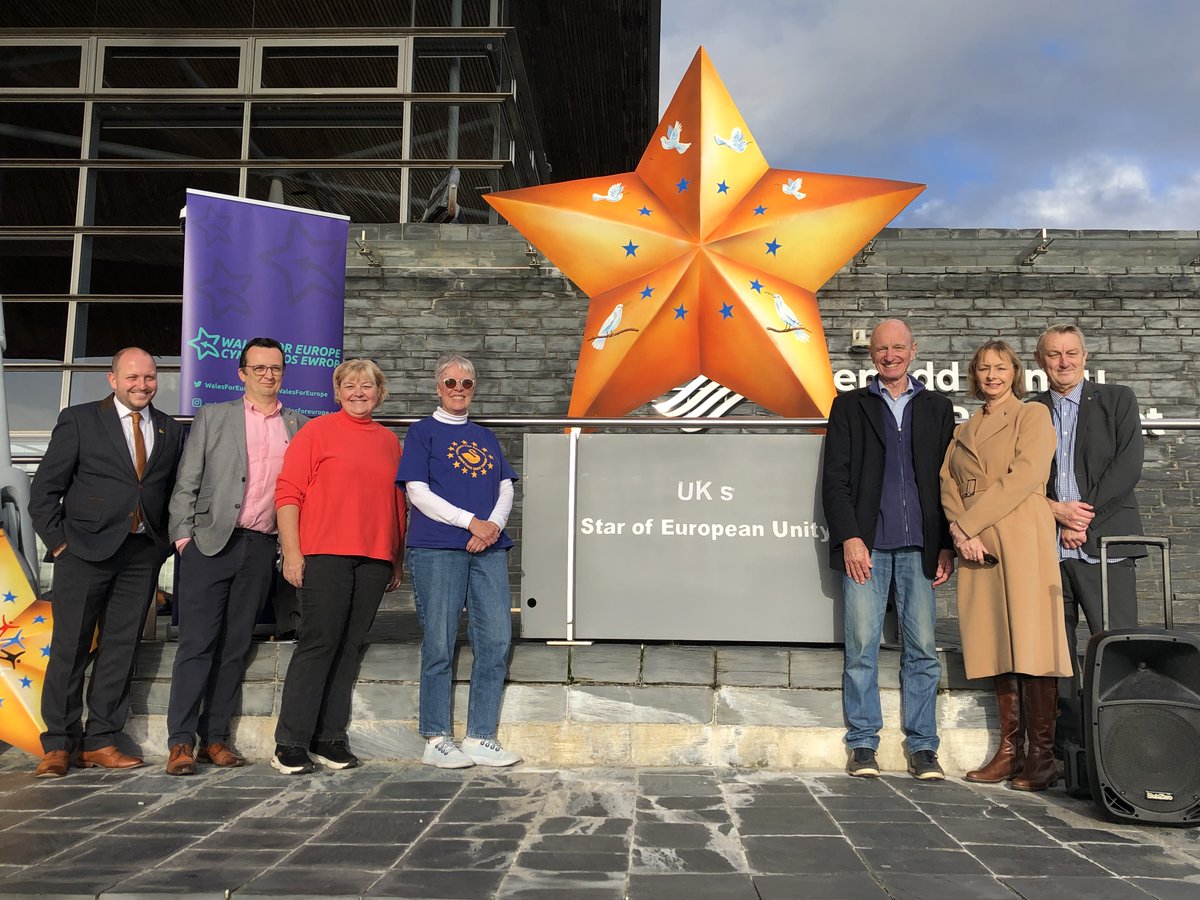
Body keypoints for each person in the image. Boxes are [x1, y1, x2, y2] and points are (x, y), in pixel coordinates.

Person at [29, 347, 185, 777]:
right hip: (82, 554)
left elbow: (170, 493)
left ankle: (100, 740)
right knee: (70, 648)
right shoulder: (79, 419)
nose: (142, 385)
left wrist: (162, 546)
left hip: (140, 555)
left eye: (150, 377)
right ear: (112, 379)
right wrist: (60, 545)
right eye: (133, 377)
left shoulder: (170, 430)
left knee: (120, 650)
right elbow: (43, 491)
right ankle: (59, 744)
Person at [164, 338, 308, 775]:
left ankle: (216, 739)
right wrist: (184, 539)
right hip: (209, 544)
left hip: (260, 547)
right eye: (259, 368)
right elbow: (186, 482)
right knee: (196, 644)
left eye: (276, 368)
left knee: (234, 647)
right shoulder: (213, 417)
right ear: (242, 373)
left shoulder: (300, 425)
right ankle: (180, 743)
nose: (268, 375)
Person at [821, 319, 956, 781]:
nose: (890, 355)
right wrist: (851, 538)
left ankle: (923, 748)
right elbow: (835, 482)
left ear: (913, 351)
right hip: (868, 550)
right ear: (871, 354)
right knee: (861, 647)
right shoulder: (849, 406)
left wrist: (946, 545)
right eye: (882, 348)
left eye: (898, 347)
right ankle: (862, 744)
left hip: (921, 548)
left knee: (922, 650)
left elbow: (947, 483)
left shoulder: (938, 407)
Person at [940, 340, 1073, 792]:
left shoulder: (1032, 416)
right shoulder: (963, 429)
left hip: (1020, 537)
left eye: (1000, 368)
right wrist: (962, 533)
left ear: (1014, 372)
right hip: (978, 547)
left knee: (1034, 642)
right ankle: (1009, 750)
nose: (991, 375)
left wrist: (967, 525)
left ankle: (1042, 757)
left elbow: (1026, 476)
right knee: (996, 642)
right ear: (974, 377)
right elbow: (947, 484)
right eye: (982, 369)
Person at [270, 359, 406, 775]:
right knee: (319, 643)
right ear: (337, 392)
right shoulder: (316, 432)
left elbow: (398, 506)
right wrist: (292, 553)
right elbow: (287, 494)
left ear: (379, 393)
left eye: (367, 386)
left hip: (374, 559)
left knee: (349, 648)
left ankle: (329, 738)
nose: (359, 392)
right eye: (350, 385)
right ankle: (290, 742)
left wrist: (395, 560)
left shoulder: (389, 442)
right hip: (324, 554)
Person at [397, 353, 522, 769]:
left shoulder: (486, 437)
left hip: (487, 549)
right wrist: (471, 523)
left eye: (466, 384)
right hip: (437, 549)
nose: (458, 390)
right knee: (439, 641)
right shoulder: (422, 433)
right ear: (438, 387)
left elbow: (505, 487)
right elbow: (418, 493)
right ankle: (436, 737)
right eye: (451, 383)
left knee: (496, 639)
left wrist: (489, 528)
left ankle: (481, 736)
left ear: (474, 388)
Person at [1031, 324, 1145, 752]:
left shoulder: (1117, 399)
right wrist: (1055, 513)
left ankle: (1123, 748)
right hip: (1048, 549)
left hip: (1105, 545)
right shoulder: (1031, 410)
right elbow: (1021, 479)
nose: (1064, 362)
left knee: (1114, 646)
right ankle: (1069, 751)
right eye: (1055, 354)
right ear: (1041, 361)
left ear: (1084, 356)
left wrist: (1081, 519)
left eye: (1072, 353)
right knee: (1057, 653)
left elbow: (1127, 466)